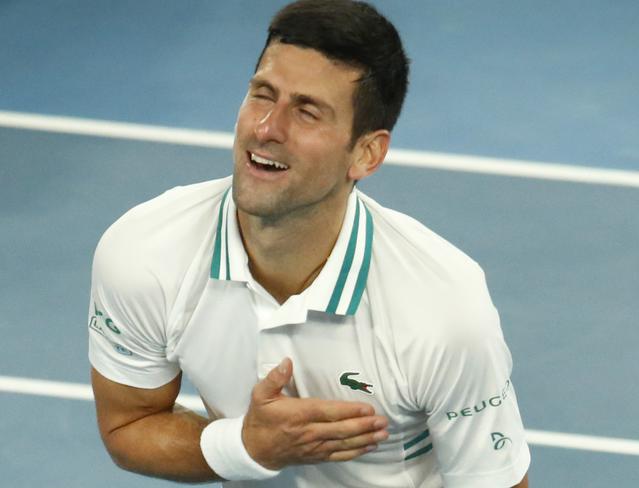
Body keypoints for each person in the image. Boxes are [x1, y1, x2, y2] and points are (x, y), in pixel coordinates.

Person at [88, 1, 530, 486]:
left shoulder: (445, 310)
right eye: (262, 95)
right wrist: (247, 447)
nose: (267, 129)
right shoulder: (145, 253)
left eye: (307, 112)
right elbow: (128, 425)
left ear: (366, 153)